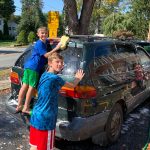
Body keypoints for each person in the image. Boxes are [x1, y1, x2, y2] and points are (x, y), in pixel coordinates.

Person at [29, 52, 85, 150]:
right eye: (57, 62)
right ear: (50, 63)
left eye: (62, 62)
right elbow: (72, 85)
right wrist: (77, 78)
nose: (60, 64)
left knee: (34, 146)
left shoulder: (44, 75)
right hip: (46, 120)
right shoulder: (55, 78)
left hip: (36, 115)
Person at [16, 26, 61, 114]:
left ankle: (19, 105)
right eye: (42, 33)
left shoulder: (45, 41)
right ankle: (25, 108)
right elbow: (46, 55)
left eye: (45, 33)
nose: (44, 34)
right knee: (31, 88)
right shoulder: (39, 43)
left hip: (28, 66)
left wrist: (61, 39)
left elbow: (51, 39)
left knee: (24, 86)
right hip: (34, 68)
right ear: (38, 34)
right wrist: (57, 48)